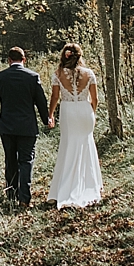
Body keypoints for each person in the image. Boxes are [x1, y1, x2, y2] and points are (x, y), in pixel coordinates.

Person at [0, 47, 53, 208]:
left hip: (7, 126)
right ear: (24, 59)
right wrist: (46, 119)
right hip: (27, 127)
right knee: (26, 161)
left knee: (10, 160)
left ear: (9, 60)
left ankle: (11, 195)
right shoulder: (33, 77)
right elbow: (41, 101)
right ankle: (24, 199)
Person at [46, 43, 103, 209]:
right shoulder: (89, 73)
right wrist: (90, 111)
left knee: (68, 145)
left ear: (65, 55)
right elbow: (95, 99)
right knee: (87, 144)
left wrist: (50, 114)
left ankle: (64, 188)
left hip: (68, 111)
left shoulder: (58, 75)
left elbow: (55, 97)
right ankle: (90, 185)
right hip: (85, 111)